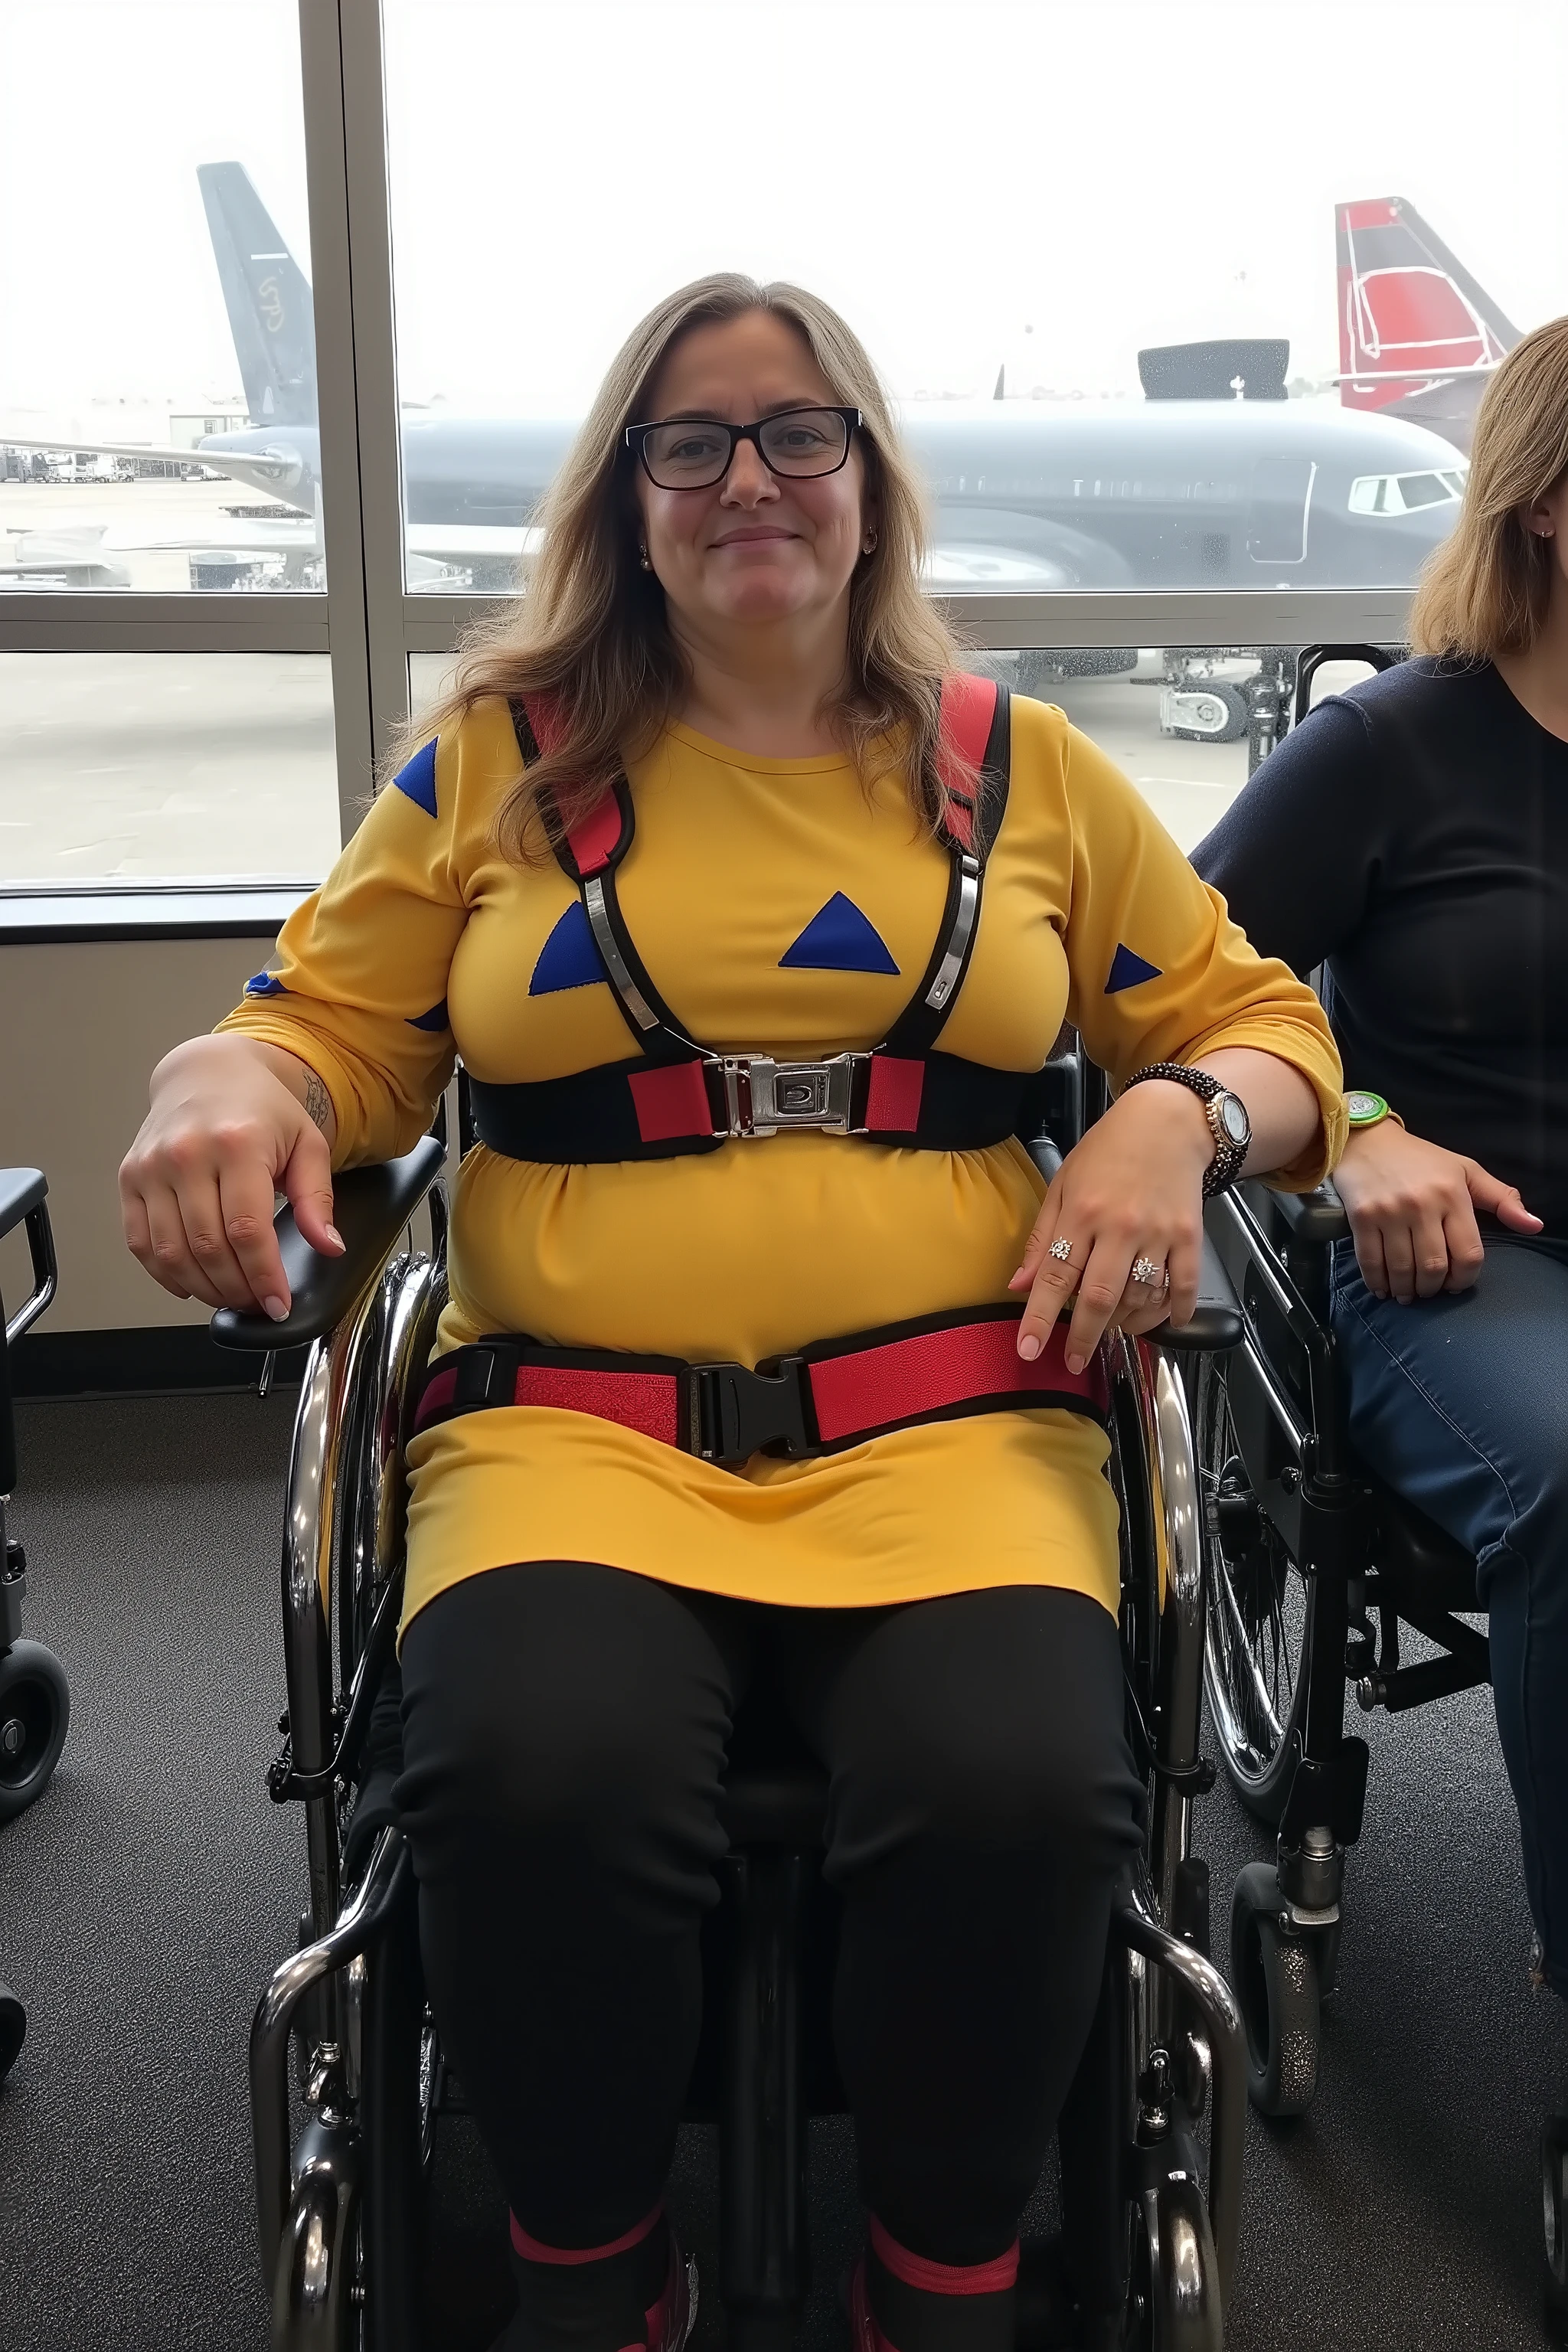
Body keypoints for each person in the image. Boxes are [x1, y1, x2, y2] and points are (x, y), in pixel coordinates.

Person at [119, 276, 1340, 2352]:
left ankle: (939, 2278)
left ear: (869, 483)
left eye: (799, 434)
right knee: (525, 1769)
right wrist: (213, 1088)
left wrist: (1176, 1111)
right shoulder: (496, 769)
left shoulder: (1020, 773)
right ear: (627, 501)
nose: (749, 478)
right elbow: (318, 1025)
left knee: (1026, 1789)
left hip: (965, 1434)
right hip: (571, 1436)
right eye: (691, 442)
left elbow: (1269, 1029)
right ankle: (599, 2274)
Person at [1193, 317, 1568, 2001]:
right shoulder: (1392, 750)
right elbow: (1178, 988)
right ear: (1547, 501)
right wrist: (1358, 1129)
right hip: (1464, 1262)